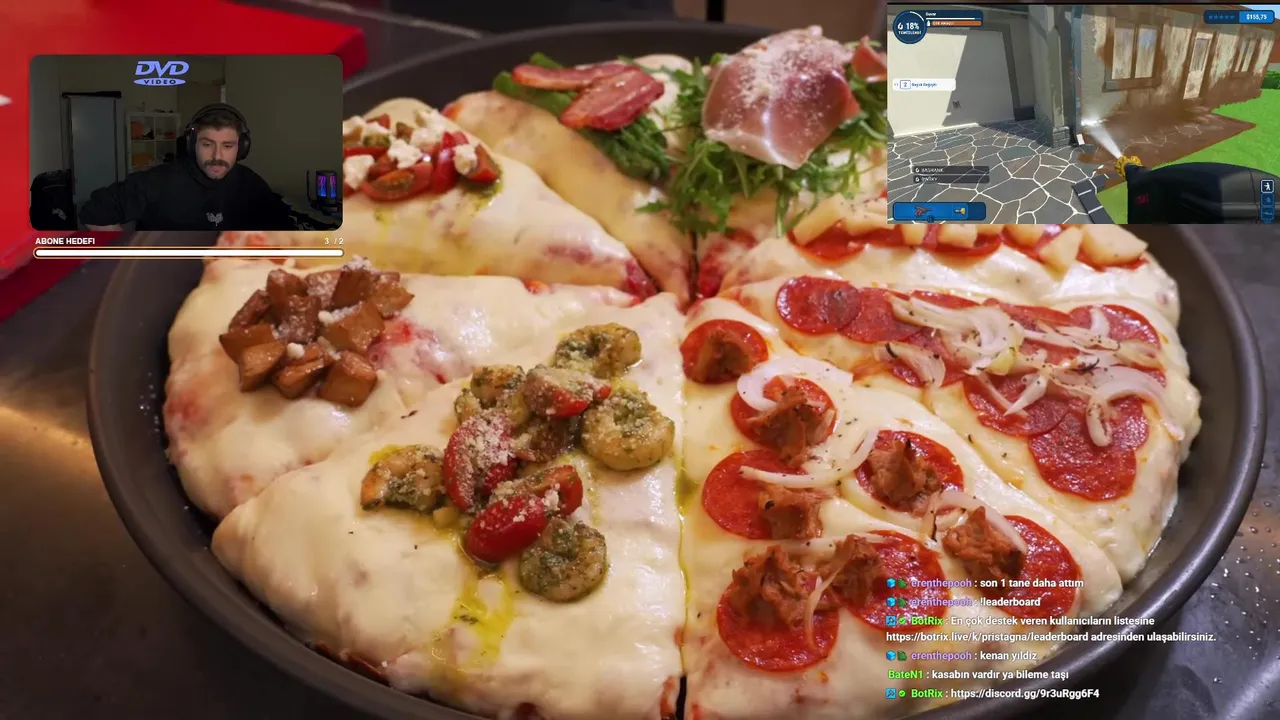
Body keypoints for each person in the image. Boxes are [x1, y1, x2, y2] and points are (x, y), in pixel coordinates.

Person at [80, 103, 295, 231]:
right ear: (191, 145)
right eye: (207, 144)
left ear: (242, 147)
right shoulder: (158, 182)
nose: (217, 156)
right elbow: (95, 213)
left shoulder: (251, 184)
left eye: (228, 146)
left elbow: (283, 228)